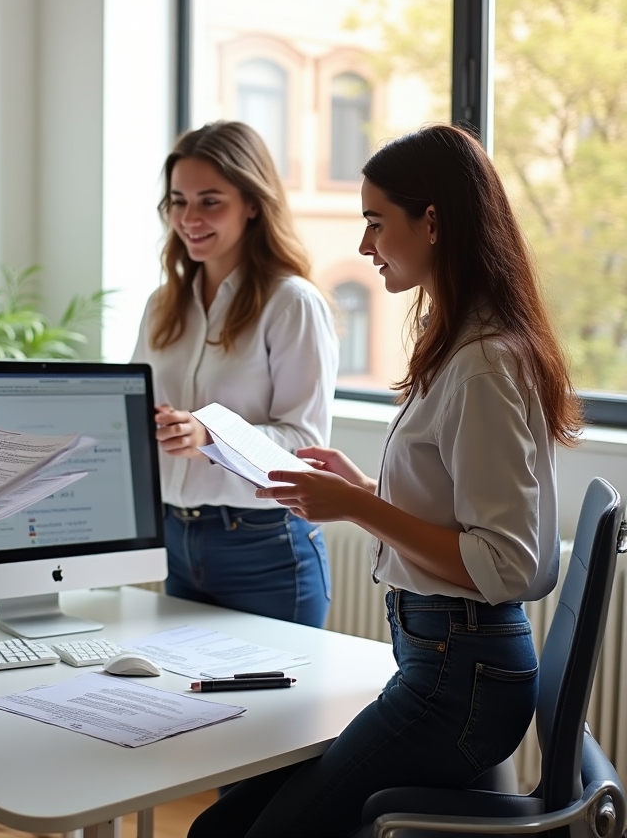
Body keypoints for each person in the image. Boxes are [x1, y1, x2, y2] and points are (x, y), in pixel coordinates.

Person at [188, 123, 580, 838]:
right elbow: (459, 509)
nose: (365, 245)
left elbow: (505, 563)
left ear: (431, 221)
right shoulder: (459, 341)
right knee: (221, 827)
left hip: (457, 685)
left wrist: (359, 509)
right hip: (439, 667)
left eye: (376, 222)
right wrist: (364, 488)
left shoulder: (484, 363)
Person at [132, 121, 339, 627]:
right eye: (178, 201)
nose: (189, 218)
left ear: (252, 203)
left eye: (210, 201)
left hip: (265, 550)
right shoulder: (162, 305)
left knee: (275, 708)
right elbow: (134, 409)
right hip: (177, 542)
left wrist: (210, 434)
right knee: (183, 704)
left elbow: (306, 444)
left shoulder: (292, 304)